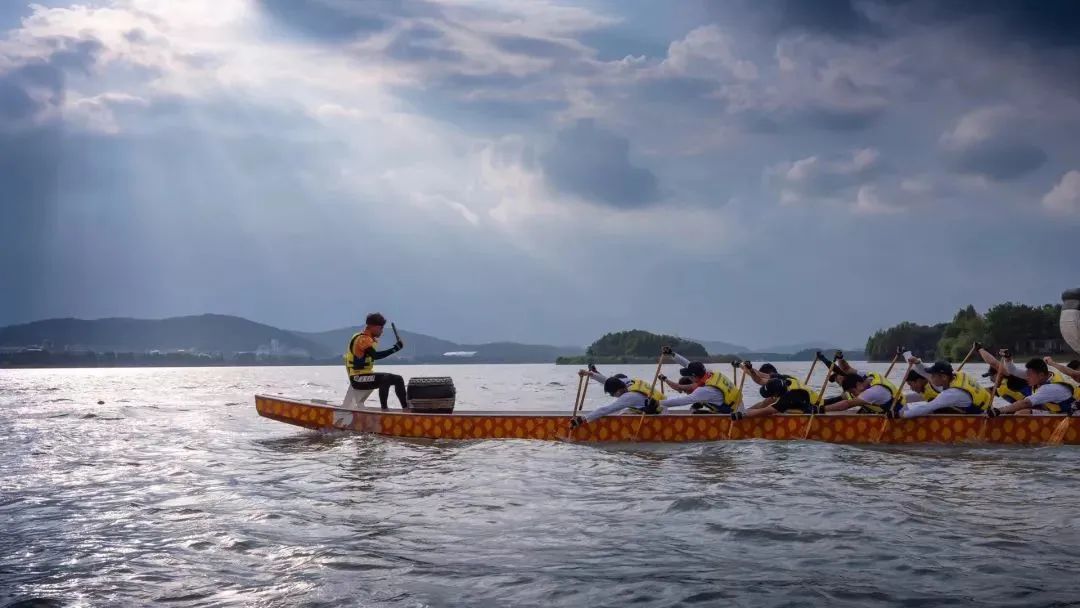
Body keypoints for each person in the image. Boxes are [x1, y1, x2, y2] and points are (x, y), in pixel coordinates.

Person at [344, 312, 406, 409]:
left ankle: (406, 408)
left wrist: (395, 348)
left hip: (365, 376)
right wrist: (395, 349)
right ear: (373, 327)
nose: (382, 331)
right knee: (385, 378)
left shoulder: (368, 338)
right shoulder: (362, 339)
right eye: (381, 328)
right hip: (357, 378)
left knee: (398, 379)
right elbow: (375, 356)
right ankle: (384, 409)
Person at [570, 369, 664, 429]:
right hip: (656, 407)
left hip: (659, 414)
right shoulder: (626, 382)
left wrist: (581, 419)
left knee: (623, 412)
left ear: (618, 391)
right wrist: (589, 373)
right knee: (624, 410)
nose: (613, 396)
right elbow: (607, 380)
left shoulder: (628, 397)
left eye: (612, 394)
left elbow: (605, 410)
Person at [899, 361, 992, 417]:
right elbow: (925, 373)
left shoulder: (951, 394)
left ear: (943, 377)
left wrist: (902, 415)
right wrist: (918, 363)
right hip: (987, 406)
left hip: (983, 414)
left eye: (933, 376)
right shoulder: (959, 374)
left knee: (935, 409)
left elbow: (927, 407)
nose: (930, 378)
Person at [988, 359, 1076, 416]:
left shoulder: (1049, 388)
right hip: (1058, 411)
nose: (1027, 377)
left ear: (1041, 375)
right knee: (1021, 412)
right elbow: (1013, 370)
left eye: (1030, 375)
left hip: (1073, 414)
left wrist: (999, 410)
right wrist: (1008, 359)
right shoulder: (1047, 373)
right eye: (1027, 374)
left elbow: (1025, 403)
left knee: (1021, 413)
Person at [656, 355, 741, 414]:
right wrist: (672, 354)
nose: (689, 378)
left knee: (695, 412)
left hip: (734, 415)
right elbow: (688, 364)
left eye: (689, 376)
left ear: (694, 376)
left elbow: (682, 401)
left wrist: (658, 403)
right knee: (695, 409)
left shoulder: (705, 390)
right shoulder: (712, 374)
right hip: (736, 406)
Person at [734, 375, 820, 419]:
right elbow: (763, 404)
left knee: (776, 410)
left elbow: (763, 411)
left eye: (771, 395)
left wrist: (741, 414)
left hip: (815, 408)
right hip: (812, 400)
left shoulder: (785, 400)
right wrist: (744, 410)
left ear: (775, 394)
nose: (771, 397)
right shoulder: (788, 381)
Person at [819, 372, 902, 416]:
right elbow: (841, 401)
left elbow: (847, 404)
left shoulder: (873, 392)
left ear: (858, 384)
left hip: (898, 415)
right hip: (883, 411)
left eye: (853, 391)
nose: (853, 394)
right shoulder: (862, 383)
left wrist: (821, 409)